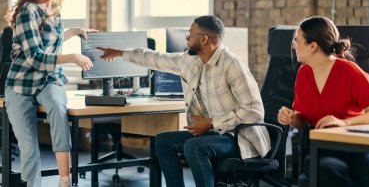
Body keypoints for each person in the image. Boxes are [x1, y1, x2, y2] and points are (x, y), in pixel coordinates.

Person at [97, 15, 271, 187]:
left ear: (203, 39)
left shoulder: (232, 65)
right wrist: (120, 53)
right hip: (215, 134)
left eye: (190, 34)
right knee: (163, 141)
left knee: (193, 146)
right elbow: (157, 59)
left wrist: (211, 123)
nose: (187, 39)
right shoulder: (190, 61)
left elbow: (254, 111)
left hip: (240, 137)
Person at [4, 0, 96, 187]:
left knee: (58, 107)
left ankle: (64, 181)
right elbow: (35, 56)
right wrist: (73, 58)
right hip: (21, 84)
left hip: (48, 80)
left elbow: (49, 43)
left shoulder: (53, 10)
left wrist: (73, 32)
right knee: (30, 150)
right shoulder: (28, 11)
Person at [277, 16, 369, 187]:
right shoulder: (303, 74)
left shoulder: (350, 71)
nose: (294, 46)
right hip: (323, 149)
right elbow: (304, 119)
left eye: (297, 41)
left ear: (312, 46)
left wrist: (344, 122)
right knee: (327, 169)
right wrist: (292, 118)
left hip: (355, 147)